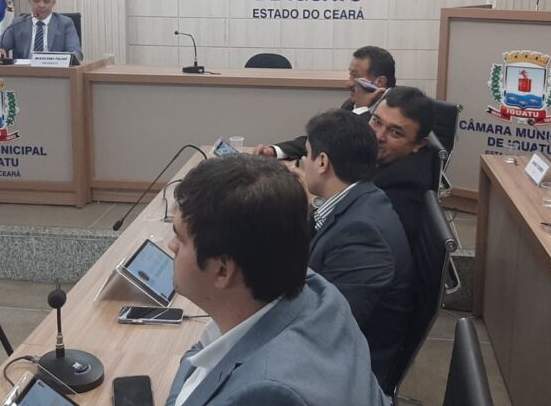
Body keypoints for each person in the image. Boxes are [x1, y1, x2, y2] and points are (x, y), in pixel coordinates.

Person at [165, 154, 386, 406]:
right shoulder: (316, 289)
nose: (171, 246)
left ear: (223, 270)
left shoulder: (268, 392)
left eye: (180, 238)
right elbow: (201, 357)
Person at [302, 110, 414, 392]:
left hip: (348, 374)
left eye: (306, 154)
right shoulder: (361, 198)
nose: (302, 162)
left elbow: (325, 329)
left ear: (323, 162)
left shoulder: (363, 234)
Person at [254, 45, 396, 160]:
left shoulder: (394, 111)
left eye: (356, 77)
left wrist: (362, 108)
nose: (348, 83)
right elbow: (322, 139)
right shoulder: (350, 104)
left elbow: (353, 147)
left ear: (379, 82)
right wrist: (274, 151)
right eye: (350, 75)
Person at [369, 86, 435, 244]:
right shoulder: (386, 158)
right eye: (376, 121)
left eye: (395, 132)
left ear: (419, 144)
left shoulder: (401, 189)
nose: (379, 136)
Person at [0, 0, 83, 61]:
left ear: (53, 3)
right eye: (36, 1)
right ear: (29, 1)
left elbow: (76, 53)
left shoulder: (65, 23)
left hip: (55, 72)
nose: (41, 5)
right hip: (25, 73)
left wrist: (64, 59)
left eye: (46, 1)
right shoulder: (18, 23)